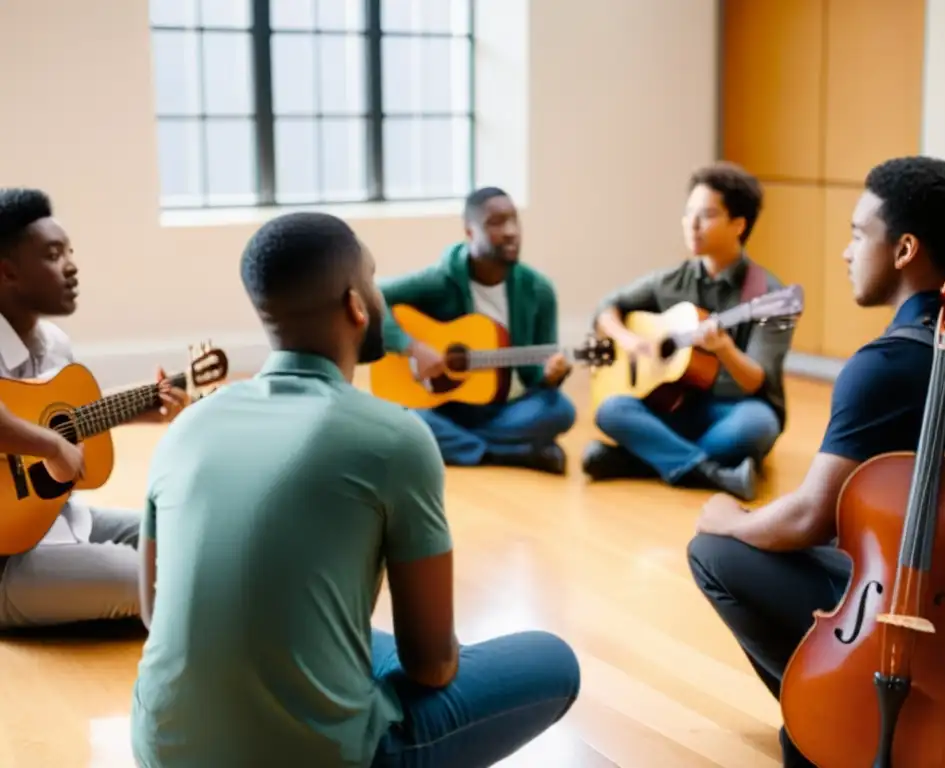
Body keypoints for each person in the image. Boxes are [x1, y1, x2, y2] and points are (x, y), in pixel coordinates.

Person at [130, 211, 581, 768]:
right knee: (554, 661)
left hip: (163, 750)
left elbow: (153, 612)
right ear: (356, 304)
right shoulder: (394, 437)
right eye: (373, 279)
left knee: (335, 631)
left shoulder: (188, 428)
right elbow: (432, 667)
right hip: (323, 758)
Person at [686, 156, 945, 766]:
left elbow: (809, 520)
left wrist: (727, 517)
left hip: (943, 631)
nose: (846, 251)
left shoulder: (887, 363)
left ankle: (839, 720)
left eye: (858, 233)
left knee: (715, 551)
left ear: (904, 249)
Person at [0, 187, 188, 631]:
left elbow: (66, 414)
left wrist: (143, 406)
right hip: (6, 560)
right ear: (7, 272)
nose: (72, 266)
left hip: (52, 519)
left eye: (69, 251)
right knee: (143, 579)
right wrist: (49, 443)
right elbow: (42, 435)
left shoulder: (53, 343)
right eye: (52, 255)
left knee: (180, 536)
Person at [584, 162, 794, 501]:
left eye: (707, 215)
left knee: (756, 428)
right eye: (688, 214)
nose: (692, 226)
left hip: (734, 409)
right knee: (610, 409)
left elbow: (756, 380)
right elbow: (606, 308)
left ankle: (641, 459)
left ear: (738, 224)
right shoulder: (670, 281)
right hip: (673, 407)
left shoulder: (771, 296)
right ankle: (711, 472)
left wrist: (724, 349)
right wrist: (631, 341)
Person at [379, 187, 575, 475]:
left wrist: (550, 375)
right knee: (400, 416)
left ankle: (464, 447)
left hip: (505, 408)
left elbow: (535, 373)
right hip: (444, 407)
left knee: (560, 410)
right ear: (470, 232)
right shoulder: (441, 280)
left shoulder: (539, 290)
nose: (510, 232)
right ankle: (507, 453)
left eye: (514, 221)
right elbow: (373, 295)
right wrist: (413, 347)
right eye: (496, 223)